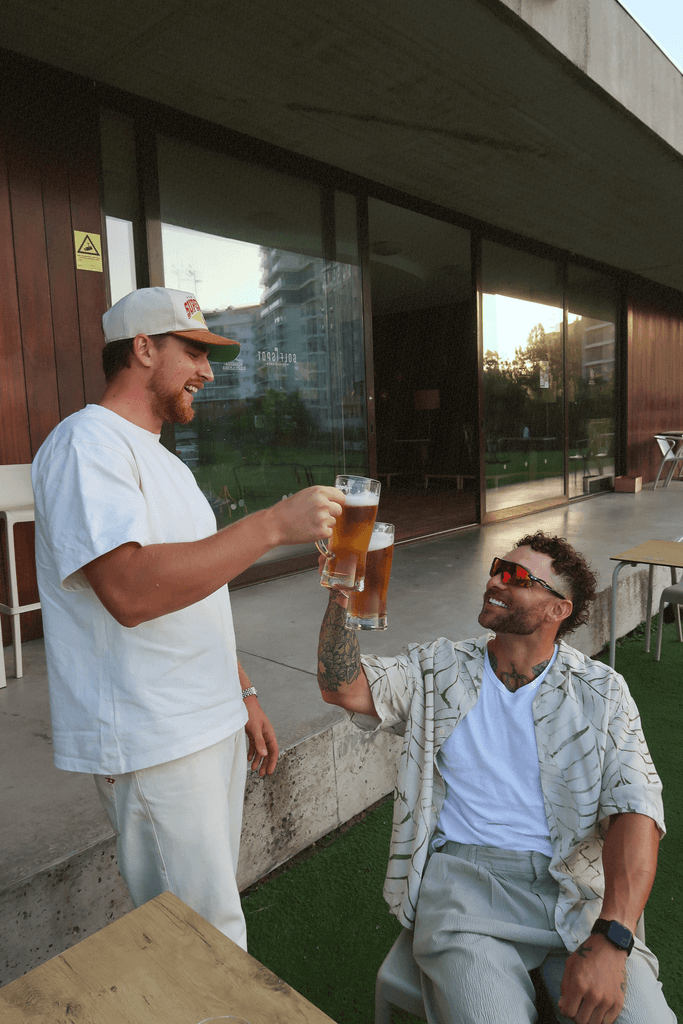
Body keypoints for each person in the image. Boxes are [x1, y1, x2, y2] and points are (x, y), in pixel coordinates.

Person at [32, 286, 344, 951]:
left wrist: (242, 690)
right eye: (194, 351)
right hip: (155, 733)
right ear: (142, 348)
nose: (208, 371)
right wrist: (269, 525)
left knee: (207, 920)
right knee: (204, 938)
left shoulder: (163, 461)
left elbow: (192, 592)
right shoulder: (85, 443)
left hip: (204, 718)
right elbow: (130, 592)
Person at [316, 531, 675, 1024]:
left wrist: (614, 935)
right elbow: (342, 687)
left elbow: (636, 809)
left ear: (558, 610)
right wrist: (342, 590)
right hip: (465, 888)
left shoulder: (602, 691)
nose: (495, 581)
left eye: (517, 577)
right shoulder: (438, 667)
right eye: (496, 567)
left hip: (571, 884)